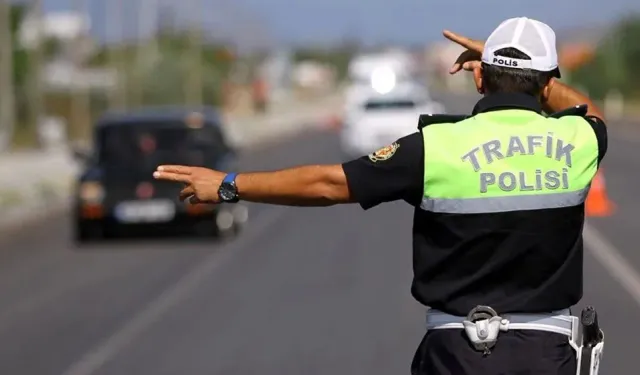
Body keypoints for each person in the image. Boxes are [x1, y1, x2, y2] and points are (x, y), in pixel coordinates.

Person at [153, 17, 606, 375]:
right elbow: (586, 109)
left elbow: (328, 184)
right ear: (546, 85)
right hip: (549, 355)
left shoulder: (434, 148)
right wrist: (522, 73)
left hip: (458, 354)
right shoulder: (579, 140)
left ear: (479, 79)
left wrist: (229, 184)